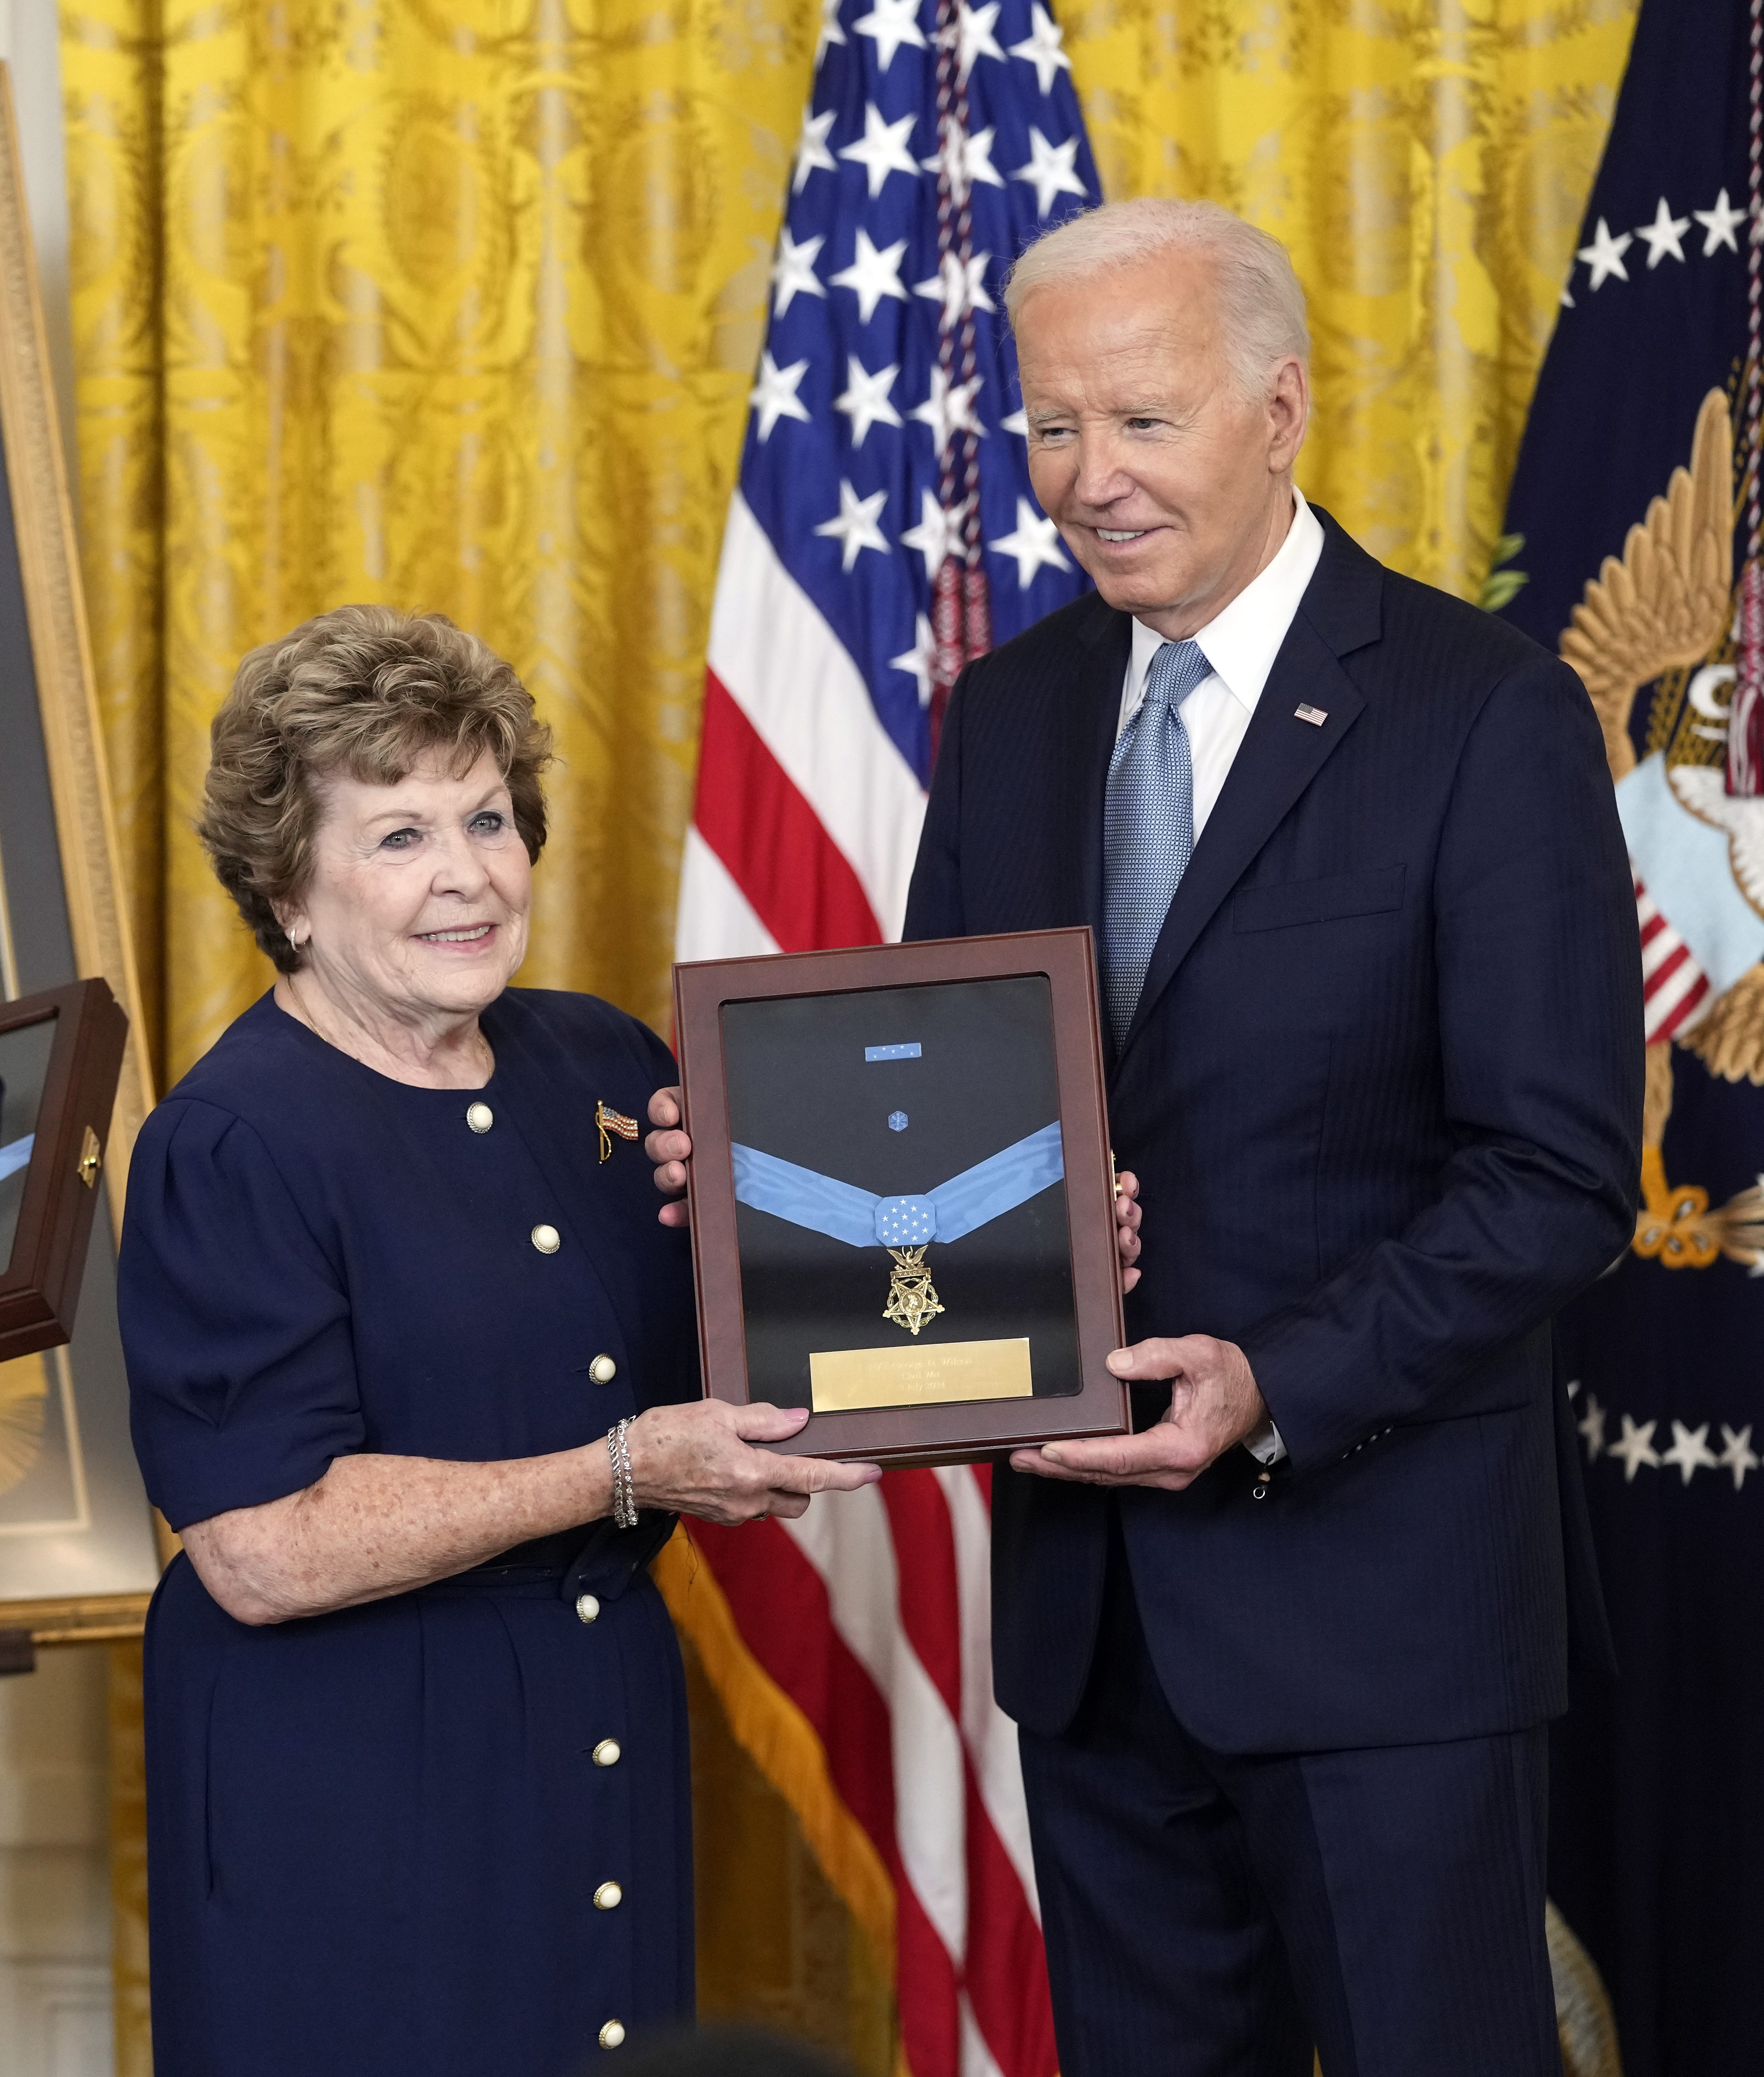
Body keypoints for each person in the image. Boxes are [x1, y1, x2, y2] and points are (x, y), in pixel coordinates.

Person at [652, 199, 1638, 2075]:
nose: (1086, 479)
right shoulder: (1009, 715)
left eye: (1143, 421)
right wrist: (757, 1177)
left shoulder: (1479, 710)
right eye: (1049, 428)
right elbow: (940, 1094)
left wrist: (1269, 1377)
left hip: (1383, 1617)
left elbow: (1559, 1172)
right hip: (1097, 1631)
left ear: (1281, 408)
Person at [117, 606, 876, 2075]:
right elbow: (260, 1549)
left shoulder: (597, 1058)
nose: (466, 874)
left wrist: (1025, 1258)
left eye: (486, 818)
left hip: (597, 1734)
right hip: (350, 1781)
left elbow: (768, 1332)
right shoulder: (229, 1140)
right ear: (287, 886)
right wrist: (621, 1470)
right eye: (398, 835)